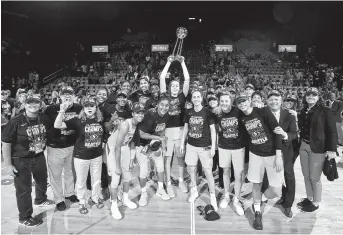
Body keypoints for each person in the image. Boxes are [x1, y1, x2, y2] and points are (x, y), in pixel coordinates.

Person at [2, 94, 54, 227]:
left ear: (41, 104)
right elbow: (6, 143)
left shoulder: (44, 118)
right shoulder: (16, 121)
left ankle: (40, 199)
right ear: (24, 105)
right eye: (30, 103)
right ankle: (24, 217)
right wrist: (7, 164)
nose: (33, 105)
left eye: (36, 102)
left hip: (38, 155)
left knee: (42, 179)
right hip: (20, 159)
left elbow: (48, 133)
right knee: (24, 189)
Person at [235, 91, 283, 230]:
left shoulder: (263, 111)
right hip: (255, 154)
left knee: (275, 191)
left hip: (272, 154)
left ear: (249, 100)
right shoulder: (241, 116)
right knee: (256, 184)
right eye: (239, 102)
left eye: (244, 100)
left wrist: (279, 155)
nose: (242, 104)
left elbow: (278, 132)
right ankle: (257, 212)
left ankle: (261, 198)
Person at [54, 96, 105, 214]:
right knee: (81, 181)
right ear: (83, 108)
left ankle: (95, 197)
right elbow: (57, 125)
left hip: (97, 156)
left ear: (96, 107)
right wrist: (62, 111)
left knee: (96, 179)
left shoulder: (100, 120)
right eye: (87, 106)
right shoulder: (78, 120)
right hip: (81, 157)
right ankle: (82, 202)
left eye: (92, 105)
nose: (89, 108)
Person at [297, 87, 337, 212]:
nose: (311, 96)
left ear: (318, 97)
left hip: (318, 148)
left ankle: (316, 202)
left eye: (314, 95)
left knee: (314, 177)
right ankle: (309, 197)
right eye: (308, 94)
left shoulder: (325, 110)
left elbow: (332, 131)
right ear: (305, 97)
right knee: (306, 175)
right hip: (303, 146)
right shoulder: (303, 110)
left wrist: (331, 150)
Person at [44, 86, 82, 211]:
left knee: (71, 172)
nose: (67, 96)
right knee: (55, 175)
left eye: (70, 94)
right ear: (60, 96)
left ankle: (69, 193)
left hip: (71, 145)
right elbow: (48, 127)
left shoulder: (78, 108)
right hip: (55, 147)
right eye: (64, 94)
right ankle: (59, 199)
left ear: (74, 96)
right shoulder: (51, 109)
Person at [262, 90, 298, 218]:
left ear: (281, 101)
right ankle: (264, 197)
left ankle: (288, 204)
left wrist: (285, 134)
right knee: (266, 175)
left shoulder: (289, 115)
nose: (273, 101)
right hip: (268, 150)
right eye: (271, 99)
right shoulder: (262, 113)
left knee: (288, 176)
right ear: (267, 101)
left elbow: (294, 133)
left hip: (286, 149)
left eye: (276, 99)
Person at [180, 90, 218, 211]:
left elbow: (213, 130)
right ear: (192, 99)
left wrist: (213, 147)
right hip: (191, 145)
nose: (196, 99)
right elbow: (186, 128)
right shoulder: (189, 112)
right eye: (194, 97)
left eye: (198, 97)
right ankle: (194, 190)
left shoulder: (207, 112)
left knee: (208, 172)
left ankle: (212, 197)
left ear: (202, 98)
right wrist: (182, 143)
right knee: (191, 169)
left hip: (204, 147)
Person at [107, 102, 145, 220]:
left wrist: (132, 158)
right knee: (115, 178)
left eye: (142, 113)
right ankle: (113, 205)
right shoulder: (125, 124)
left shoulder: (137, 124)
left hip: (125, 148)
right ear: (133, 113)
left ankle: (125, 198)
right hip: (113, 149)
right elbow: (117, 146)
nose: (140, 115)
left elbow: (132, 141)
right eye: (137, 113)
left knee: (128, 176)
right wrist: (118, 166)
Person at [160, 55, 190, 195]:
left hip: (179, 130)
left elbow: (187, 79)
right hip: (166, 131)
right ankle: (168, 183)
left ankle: (181, 180)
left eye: (177, 85)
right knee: (167, 159)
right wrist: (168, 63)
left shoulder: (182, 96)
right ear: (169, 87)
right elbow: (161, 78)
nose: (174, 87)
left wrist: (183, 63)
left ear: (179, 88)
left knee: (180, 158)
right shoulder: (164, 96)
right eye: (172, 85)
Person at [214, 90, 247, 215]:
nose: (224, 103)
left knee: (238, 175)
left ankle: (237, 199)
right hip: (223, 147)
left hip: (238, 147)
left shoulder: (238, 111)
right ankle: (226, 195)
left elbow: (251, 112)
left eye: (226, 101)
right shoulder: (217, 113)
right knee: (226, 171)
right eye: (221, 101)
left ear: (231, 101)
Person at [136, 95, 171, 206]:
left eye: (167, 105)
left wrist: (162, 142)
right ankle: (143, 193)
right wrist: (158, 138)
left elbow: (161, 130)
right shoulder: (149, 115)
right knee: (144, 171)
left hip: (155, 145)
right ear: (157, 105)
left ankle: (160, 189)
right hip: (142, 145)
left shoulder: (166, 116)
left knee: (160, 167)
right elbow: (141, 134)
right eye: (162, 105)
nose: (164, 108)